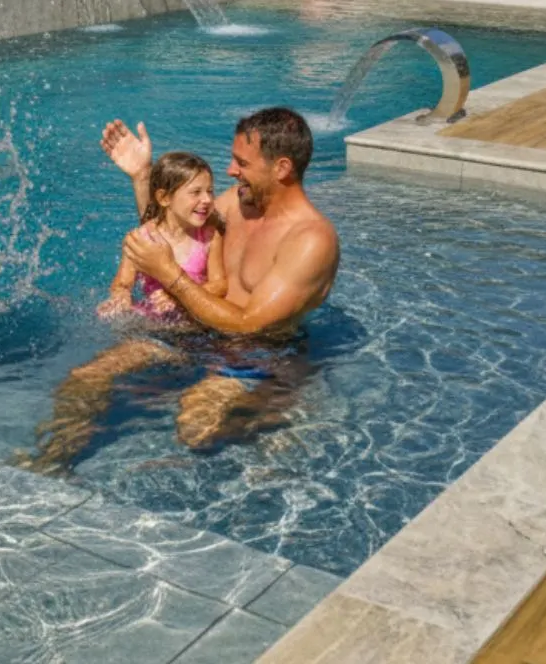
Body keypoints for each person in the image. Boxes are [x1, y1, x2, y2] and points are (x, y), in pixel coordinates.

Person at [29, 109, 339, 470]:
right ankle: (50, 462)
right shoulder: (237, 204)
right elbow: (168, 233)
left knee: (196, 427)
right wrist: (142, 178)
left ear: (282, 168)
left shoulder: (310, 239)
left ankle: (281, 413)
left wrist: (171, 278)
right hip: (189, 332)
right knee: (86, 378)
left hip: (255, 354)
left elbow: (250, 323)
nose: (231, 171)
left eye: (242, 163)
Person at [99, 152, 225, 324]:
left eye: (210, 191)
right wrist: (121, 296)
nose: (207, 199)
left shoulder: (209, 237)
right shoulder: (141, 239)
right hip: (152, 321)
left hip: (192, 323)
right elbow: (122, 283)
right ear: (164, 198)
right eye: (196, 192)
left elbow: (220, 285)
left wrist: (179, 297)